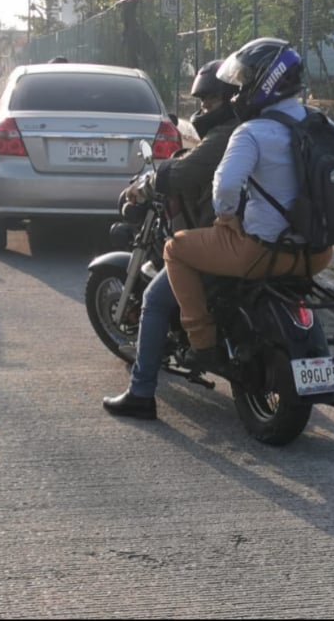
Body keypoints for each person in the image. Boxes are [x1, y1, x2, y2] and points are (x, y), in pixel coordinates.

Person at [163, 38, 334, 369]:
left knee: (176, 249)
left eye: (243, 83)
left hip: (261, 254)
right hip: (317, 253)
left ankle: (201, 343)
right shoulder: (321, 123)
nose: (238, 93)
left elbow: (225, 187)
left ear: (265, 82)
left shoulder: (252, 132)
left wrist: (226, 220)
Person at [102, 61, 241, 420]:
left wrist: (147, 186)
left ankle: (141, 392)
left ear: (229, 98)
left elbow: (186, 170)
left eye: (209, 100)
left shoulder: (229, 134)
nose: (203, 109)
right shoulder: (266, 129)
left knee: (154, 297)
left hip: (228, 243)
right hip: (271, 240)